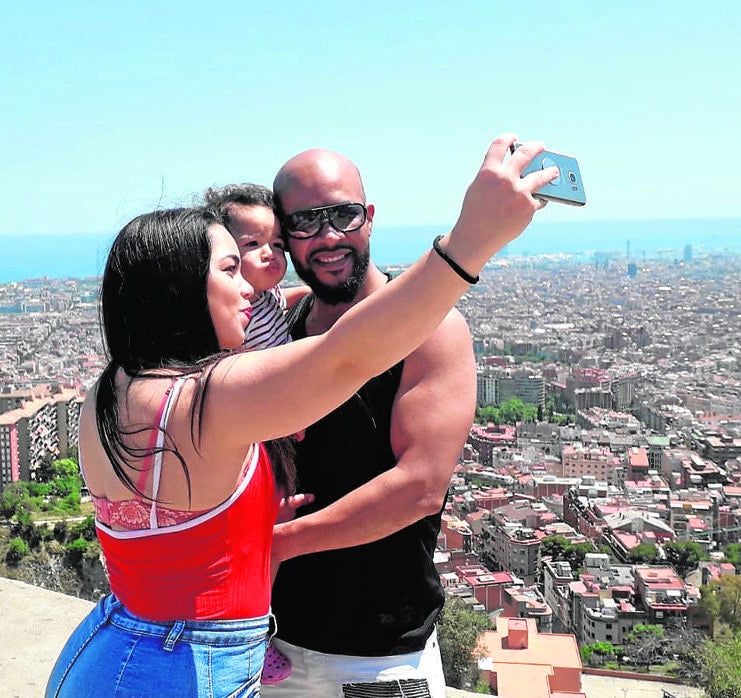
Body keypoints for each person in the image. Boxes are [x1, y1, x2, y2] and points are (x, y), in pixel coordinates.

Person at [44, 135, 557, 697]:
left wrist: (263, 529)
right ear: (183, 287)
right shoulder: (205, 400)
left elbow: (416, 485)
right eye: (231, 268)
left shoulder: (116, 385)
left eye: (343, 215)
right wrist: (471, 240)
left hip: (142, 645)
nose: (252, 286)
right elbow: (347, 356)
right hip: (184, 667)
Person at [264, 146, 499, 697]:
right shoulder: (280, 326)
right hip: (270, 644)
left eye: (342, 215)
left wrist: (278, 543)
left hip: (379, 655)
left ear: (369, 217)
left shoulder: (432, 330)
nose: (326, 237)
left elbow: (417, 488)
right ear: (285, 235)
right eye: (304, 222)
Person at [202, 183, 308, 350]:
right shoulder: (233, 317)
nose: (270, 253)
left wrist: (310, 291)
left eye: (277, 244)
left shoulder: (267, 294)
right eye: (252, 243)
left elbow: (284, 298)